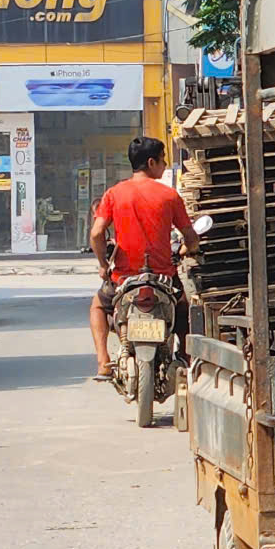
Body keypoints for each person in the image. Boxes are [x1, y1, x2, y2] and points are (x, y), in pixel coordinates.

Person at [88, 135, 196, 378]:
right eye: (162, 160)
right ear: (150, 162)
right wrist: (188, 249)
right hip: (163, 278)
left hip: (123, 279)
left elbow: (96, 233)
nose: (165, 164)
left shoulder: (114, 194)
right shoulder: (169, 196)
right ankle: (187, 360)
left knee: (97, 306)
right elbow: (191, 237)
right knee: (183, 311)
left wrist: (104, 265)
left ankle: (103, 361)